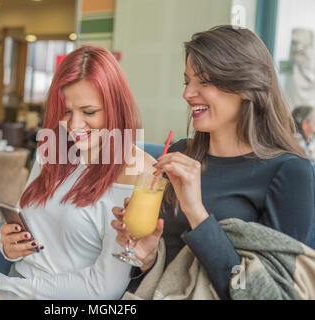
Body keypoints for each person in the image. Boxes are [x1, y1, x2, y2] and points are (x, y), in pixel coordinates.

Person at [112, 25, 315, 300]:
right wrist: (144, 258)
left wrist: (196, 212)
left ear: (245, 86)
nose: (187, 94)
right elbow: (161, 273)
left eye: (204, 81)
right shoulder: (182, 153)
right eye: (187, 82)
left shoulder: (289, 172)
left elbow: (263, 292)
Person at [0, 46, 157, 299]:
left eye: (89, 112)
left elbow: (103, 289)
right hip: (13, 286)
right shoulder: (53, 148)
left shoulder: (138, 171)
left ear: (115, 108)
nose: (74, 126)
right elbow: (29, 221)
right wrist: (7, 245)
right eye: (66, 111)